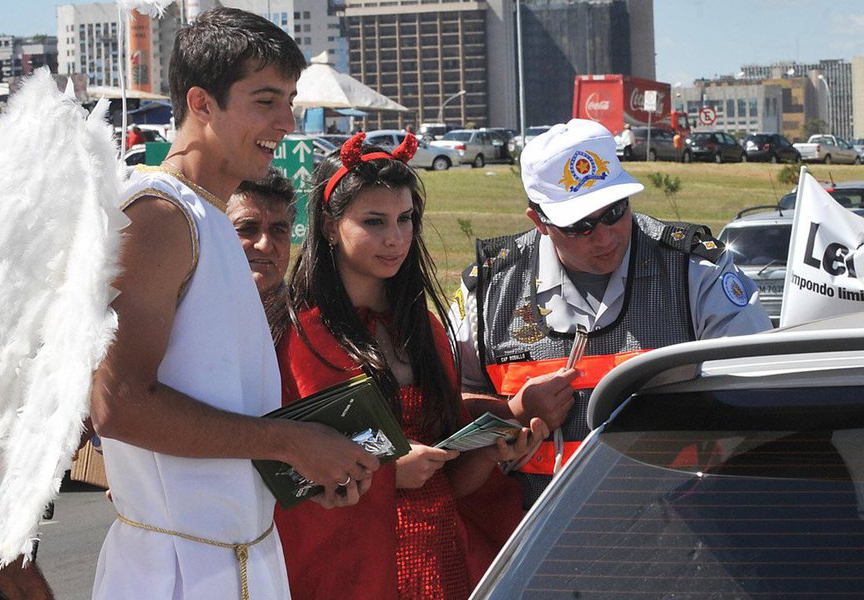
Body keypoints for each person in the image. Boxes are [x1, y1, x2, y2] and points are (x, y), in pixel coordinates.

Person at [89, 8, 379, 600]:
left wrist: (297, 473)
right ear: (201, 102)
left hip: (242, 561)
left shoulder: (209, 216)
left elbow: (215, 401)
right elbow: (115, 404)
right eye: (266, 100)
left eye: (290, 99)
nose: (286, 120)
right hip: (173, 572)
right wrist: (291, 443)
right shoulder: (160, 214)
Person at [274, 132, 547, 599]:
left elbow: (451, 483)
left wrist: (488, 447)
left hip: (446, 564)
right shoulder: (303, 338)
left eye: (406, 219)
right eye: (374, 221)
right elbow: (287, 477)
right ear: (327, 224)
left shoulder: (426, 330)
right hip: (353, 573)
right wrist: (387, 473)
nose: (395, 238)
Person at [451, 118, 772, 507]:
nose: (604, 237)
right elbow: (449, 411)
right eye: (579, 226)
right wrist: (512, 413)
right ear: (539, 221)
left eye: (614, 212)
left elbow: (757, 398)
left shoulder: (696, 273)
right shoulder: (488, 292)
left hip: (681, 532)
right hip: (538, 546)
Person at [227, 168, 296, 341]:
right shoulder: (186, 317)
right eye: (247, 229)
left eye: (278, 230)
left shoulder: (310, 324)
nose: (264, 245)